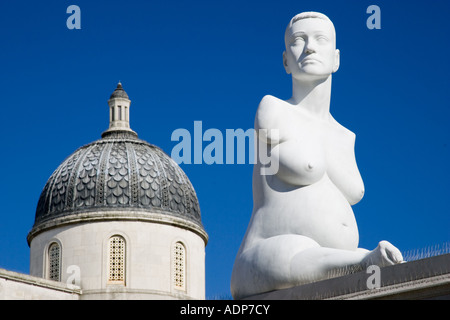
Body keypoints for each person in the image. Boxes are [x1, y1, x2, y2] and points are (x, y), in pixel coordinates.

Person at [230, 12, 403, 300]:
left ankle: (358, 261)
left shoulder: (346, 137)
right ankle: (361, 262)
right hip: (267, 257)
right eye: (298, 41)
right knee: (292, 251)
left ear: (336, 59)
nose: (309, 47)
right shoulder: (273, 109)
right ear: (286, 61)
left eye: (320, 40)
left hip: (330, 264)